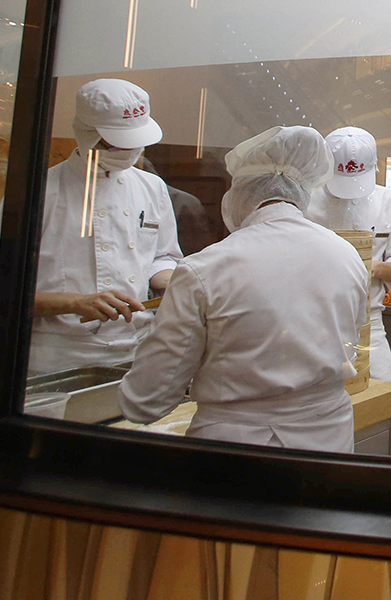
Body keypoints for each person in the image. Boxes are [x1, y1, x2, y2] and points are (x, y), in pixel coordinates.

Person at [119, 126, 369, 451]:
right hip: (327, 441)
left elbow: (147, 400)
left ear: (241, 194)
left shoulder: (205, 268)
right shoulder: (346, 256)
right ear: (303, 193)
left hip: (235, 449)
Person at [0, 79, 181, 375]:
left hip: (137, 352)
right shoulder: (37, 193)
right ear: (88, 134)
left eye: (136, 141)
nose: (132, 150)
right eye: (119, 142)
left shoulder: (152, 187)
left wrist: (170, 280)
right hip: (57, 361)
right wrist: (73, 302)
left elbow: (162, 256)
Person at [304, 127, 391, 382]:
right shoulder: (307, 201)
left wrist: (374, 267)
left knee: (385, 399)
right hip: (314, 323)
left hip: (370, 323)